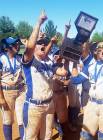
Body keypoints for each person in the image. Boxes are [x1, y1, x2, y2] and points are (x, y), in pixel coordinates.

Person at [21, 11, 68, 140]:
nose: (42, 44)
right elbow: (30, 46)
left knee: (47, 136)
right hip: (33, 106)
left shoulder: (48, 62)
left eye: (44, 43)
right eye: (39, 43)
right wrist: (39, 23)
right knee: (30, 137)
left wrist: (68, 60)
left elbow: (62, 72)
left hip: (49, 105)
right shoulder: (29, 61)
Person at [0, 37, 26, 140]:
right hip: (6, 92)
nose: (17, 45)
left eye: (17, 43)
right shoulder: (1, 59)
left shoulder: (19, 58)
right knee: (8, 120)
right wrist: (1, 98)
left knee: (22, 119)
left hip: (20, 91)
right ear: (7, 47)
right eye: (14, 44)